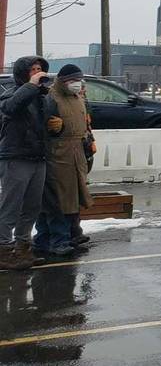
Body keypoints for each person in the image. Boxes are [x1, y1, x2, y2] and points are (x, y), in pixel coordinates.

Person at [0, 56, 52, 271]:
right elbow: (12, 108)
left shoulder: (41, 97)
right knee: (10, 206)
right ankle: (3, 250)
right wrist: (31, 86)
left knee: (31, 207)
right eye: (32, 69)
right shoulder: (13, 94)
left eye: (40, 69)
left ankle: (22, 248)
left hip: (37, 157)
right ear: (23, 73)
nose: (37, 72)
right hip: (16, 157)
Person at [36, 65, 94, 256]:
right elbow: (40, 127)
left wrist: (89, 141)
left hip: (76, 153)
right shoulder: (51, 98)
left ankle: (64, 235)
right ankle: (56, 240)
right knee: (58, 200)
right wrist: (55, 129)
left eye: (79, 80)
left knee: (73, 197)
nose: (77, 84)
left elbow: (85, 122)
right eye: (73, 81)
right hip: (59, 155)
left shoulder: (78, 98)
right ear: (63, 81)